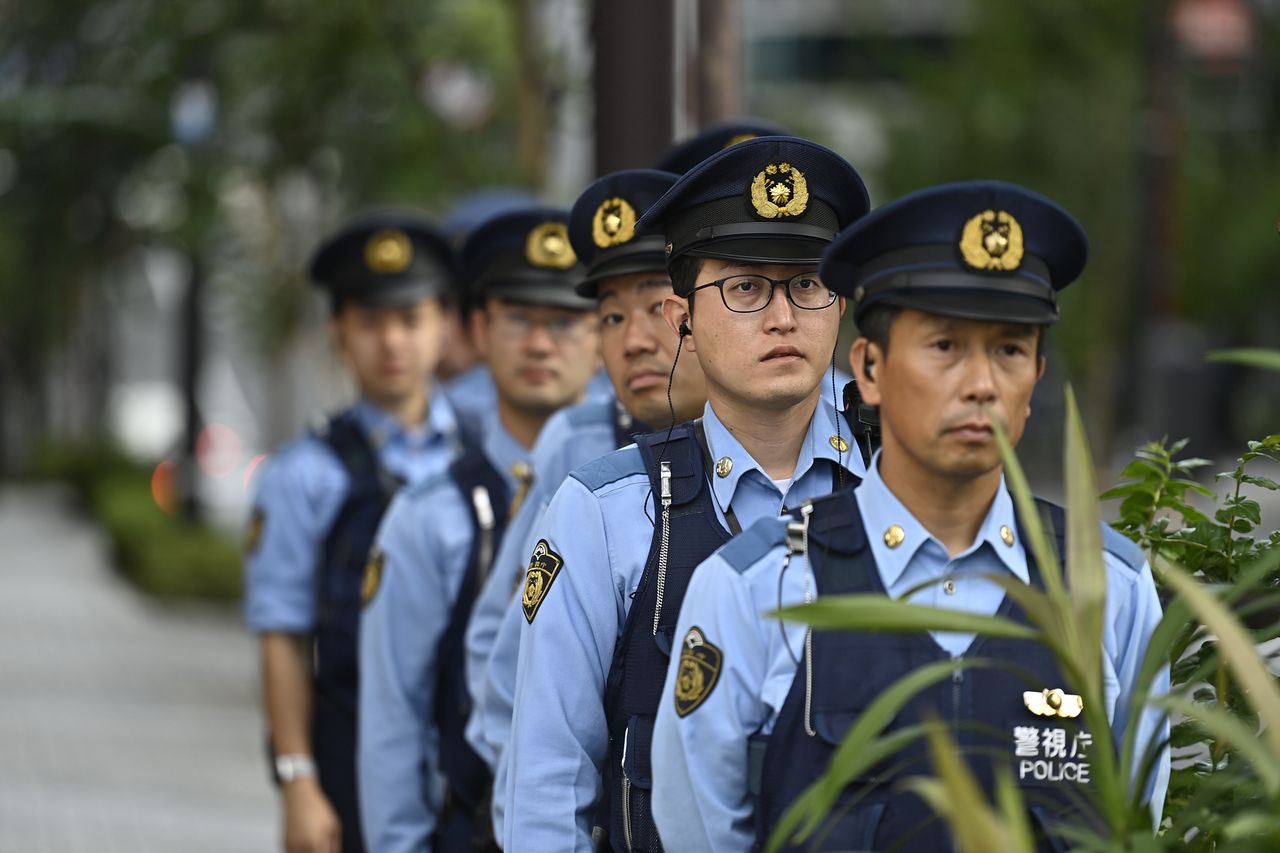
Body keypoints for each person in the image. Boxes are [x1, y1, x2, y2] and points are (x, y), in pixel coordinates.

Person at [650, 180, 1171, 851]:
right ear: (868, 367)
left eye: (1009, 350)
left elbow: (1131, 827)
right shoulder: (756, 588)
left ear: (1037, 377)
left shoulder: (1109, 590)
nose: (980, 383)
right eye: (945, 347)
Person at [503, 136, 872, 851]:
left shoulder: (899, 491)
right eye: (744, 288)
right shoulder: (604, 513)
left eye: (806, 284)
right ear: (684, 321)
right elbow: (547, 783)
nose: (782, 317)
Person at [462, 168, 709, 839]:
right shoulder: (581, 452)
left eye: (656, 306)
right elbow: (506, 654)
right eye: (610, 316)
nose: (634, 340)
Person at [357, 206, 600, 852]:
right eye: (519, 318)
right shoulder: (428, 514)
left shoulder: (626, 500)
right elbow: (392, 716)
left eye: (567, 320)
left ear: (603, 332)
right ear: (478, 327)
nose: (542, 344)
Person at [244, 212, 462, 853]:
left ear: (445, 327)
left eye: (411, 319)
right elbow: (282, 636)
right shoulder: (303, 475)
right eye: (371, 322)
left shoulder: (485, 457)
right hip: (349, 744)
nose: (392, 342)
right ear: (339, 332)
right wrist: (298, 783)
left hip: (463, 746)